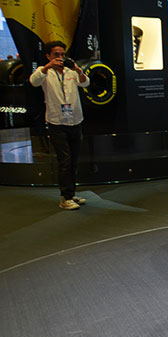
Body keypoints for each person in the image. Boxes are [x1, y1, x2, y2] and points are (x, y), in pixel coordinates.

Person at [29, 40, 90, 210]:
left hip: (75, 121)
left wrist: (78, 70)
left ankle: (71, 193)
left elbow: (85, 82)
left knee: (74, 161)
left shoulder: (71, 71)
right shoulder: (44, 72)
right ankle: (65, 197)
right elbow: (33, 81)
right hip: (57, 123)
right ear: (48, 56)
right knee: (65, 161)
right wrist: (48, 67)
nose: (60, 57)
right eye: (56, 54)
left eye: (63, 54)